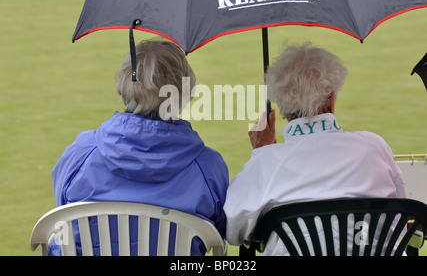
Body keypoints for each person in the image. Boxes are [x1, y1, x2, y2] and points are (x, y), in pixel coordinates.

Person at [224, 42, 406, 255]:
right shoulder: (374, 146)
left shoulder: (265, 163)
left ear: (282, 111)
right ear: (331, 101)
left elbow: (233, 230)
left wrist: (261, 154)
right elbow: (399, 215)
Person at [51, 40, 229, 255]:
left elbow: (64, 210)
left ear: (122, 86)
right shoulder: (208, 167)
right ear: (184, 92)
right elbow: (221, 231)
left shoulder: (81, 154)